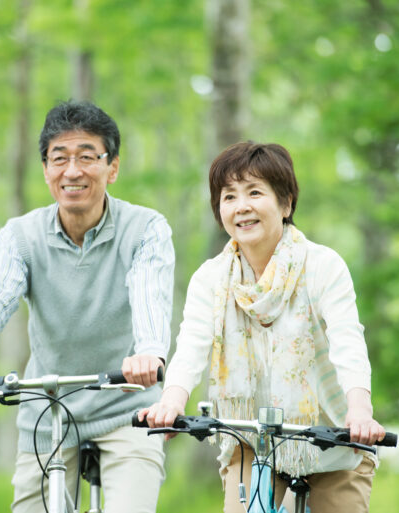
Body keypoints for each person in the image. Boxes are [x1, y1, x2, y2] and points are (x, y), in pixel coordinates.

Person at [0, 101, 173, 513]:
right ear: (45, 169)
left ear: (112, 167)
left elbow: (149, 291)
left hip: (126, 407)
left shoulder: (145, 229)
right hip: (49, 411)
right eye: (59, 158)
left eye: (87, 157)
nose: (72, 171)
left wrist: (150, 352)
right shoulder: (21, 235)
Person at [139, 142, 385, 513]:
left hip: (332, 444)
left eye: (255, 192)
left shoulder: (322, 266)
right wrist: (171, 402)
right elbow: (191, 346)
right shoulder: (211, 278)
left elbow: (347, 341)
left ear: (286, 205)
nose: (242, 207)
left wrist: (359, 411)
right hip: (253, 443)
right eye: (229, 196)